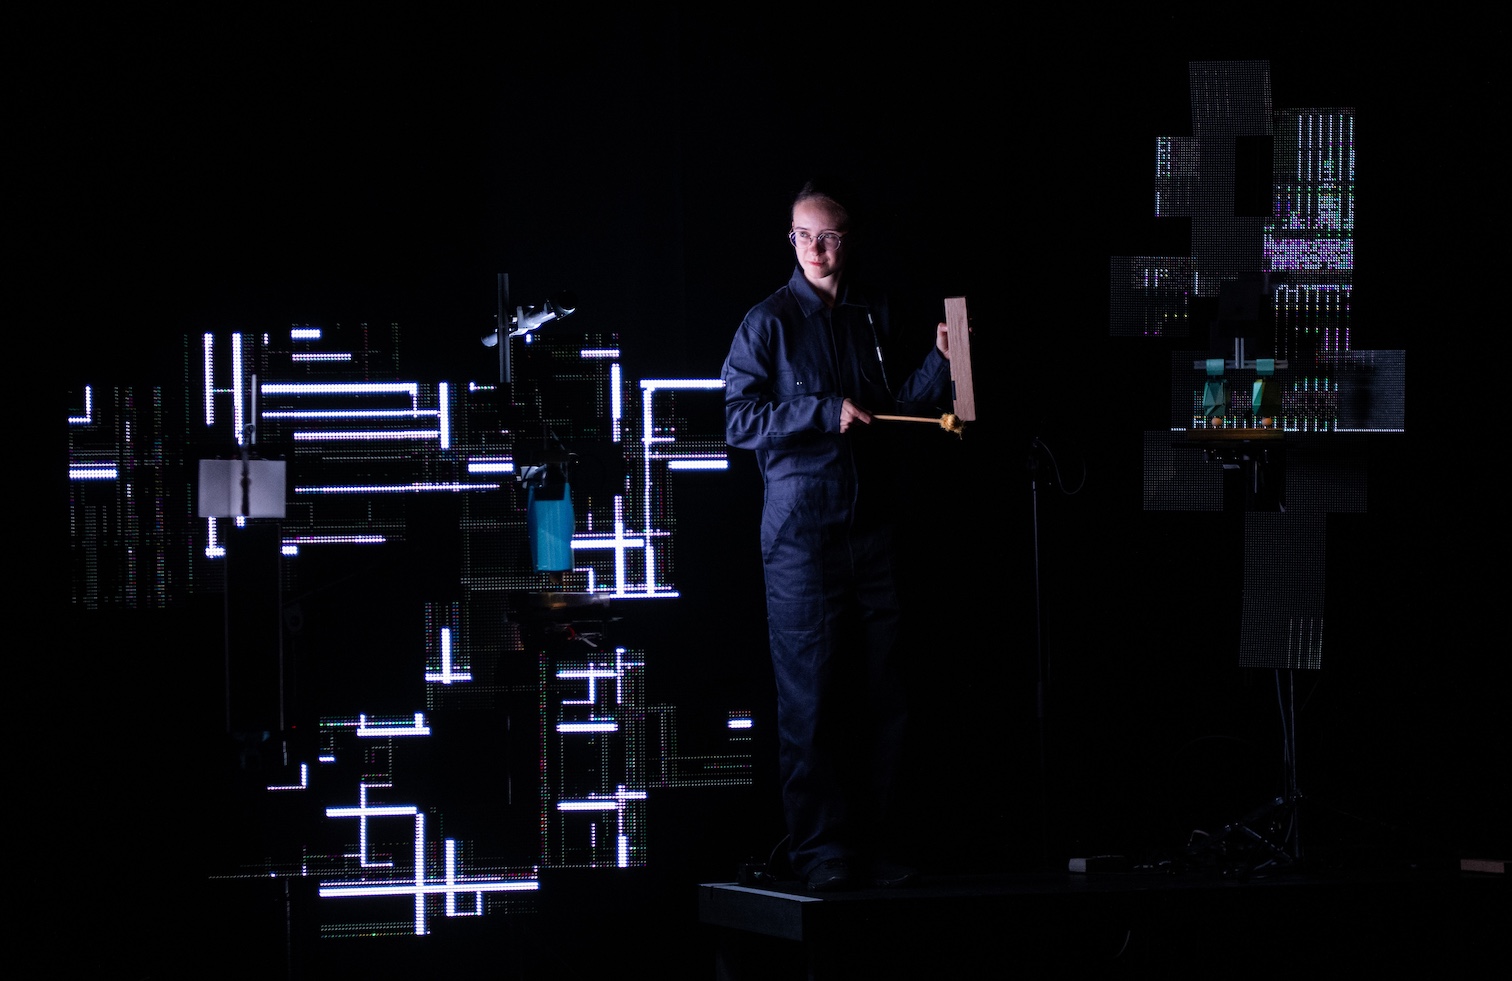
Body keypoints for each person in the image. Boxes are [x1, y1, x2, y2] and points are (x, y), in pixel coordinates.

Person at [721, 178, 954, 891]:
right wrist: (822, 411)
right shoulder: (767, 322)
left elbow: (893, 414)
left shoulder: (870, 314)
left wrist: (943, 360)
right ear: (790, 240)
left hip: (873, 528)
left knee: (887, 695)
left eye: (829, 237)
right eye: (804, 236)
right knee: (811, 699)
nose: (817, 250)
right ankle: (821, 853)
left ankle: (879, 846)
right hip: (801, 538)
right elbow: (738, 421)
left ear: (847, 240)